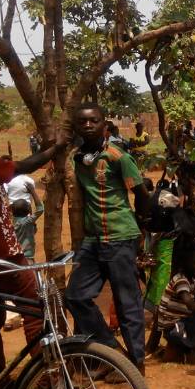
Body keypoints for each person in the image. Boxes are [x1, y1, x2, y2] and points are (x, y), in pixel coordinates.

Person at [0, 108, 66, 382]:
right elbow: (24, 166)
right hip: (5, 257)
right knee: (34, 308)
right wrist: (55, 148)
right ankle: (45, 379)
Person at [65, 103, 151, 373]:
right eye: (82, 121)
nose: (88, 125)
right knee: (75, 296)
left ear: (105, 125)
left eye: (94, 120)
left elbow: (142, 196)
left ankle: (136, 364)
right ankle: (112, 353)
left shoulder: (118, 157)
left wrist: (140, 231)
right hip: (92, 240)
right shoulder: (76, 158)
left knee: (127, 302)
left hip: (120, 237)